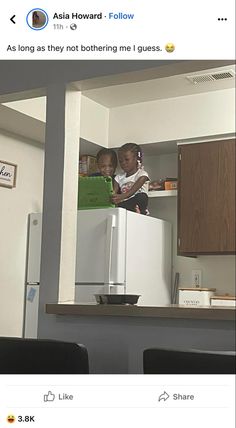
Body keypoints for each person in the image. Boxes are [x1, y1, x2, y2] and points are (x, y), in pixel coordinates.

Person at [112, 143, 150, 214]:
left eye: (127, 159)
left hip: (137, 202)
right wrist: (114, 197)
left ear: (136, 159)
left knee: (142, 196)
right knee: (117, 205)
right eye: (120, 161)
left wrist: (121, 196)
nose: (123, 163)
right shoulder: (118, 177)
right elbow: (113, 192)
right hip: (126, 204)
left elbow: (131, 192)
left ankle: (140, 211)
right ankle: (129, 209)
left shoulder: (142, 174)